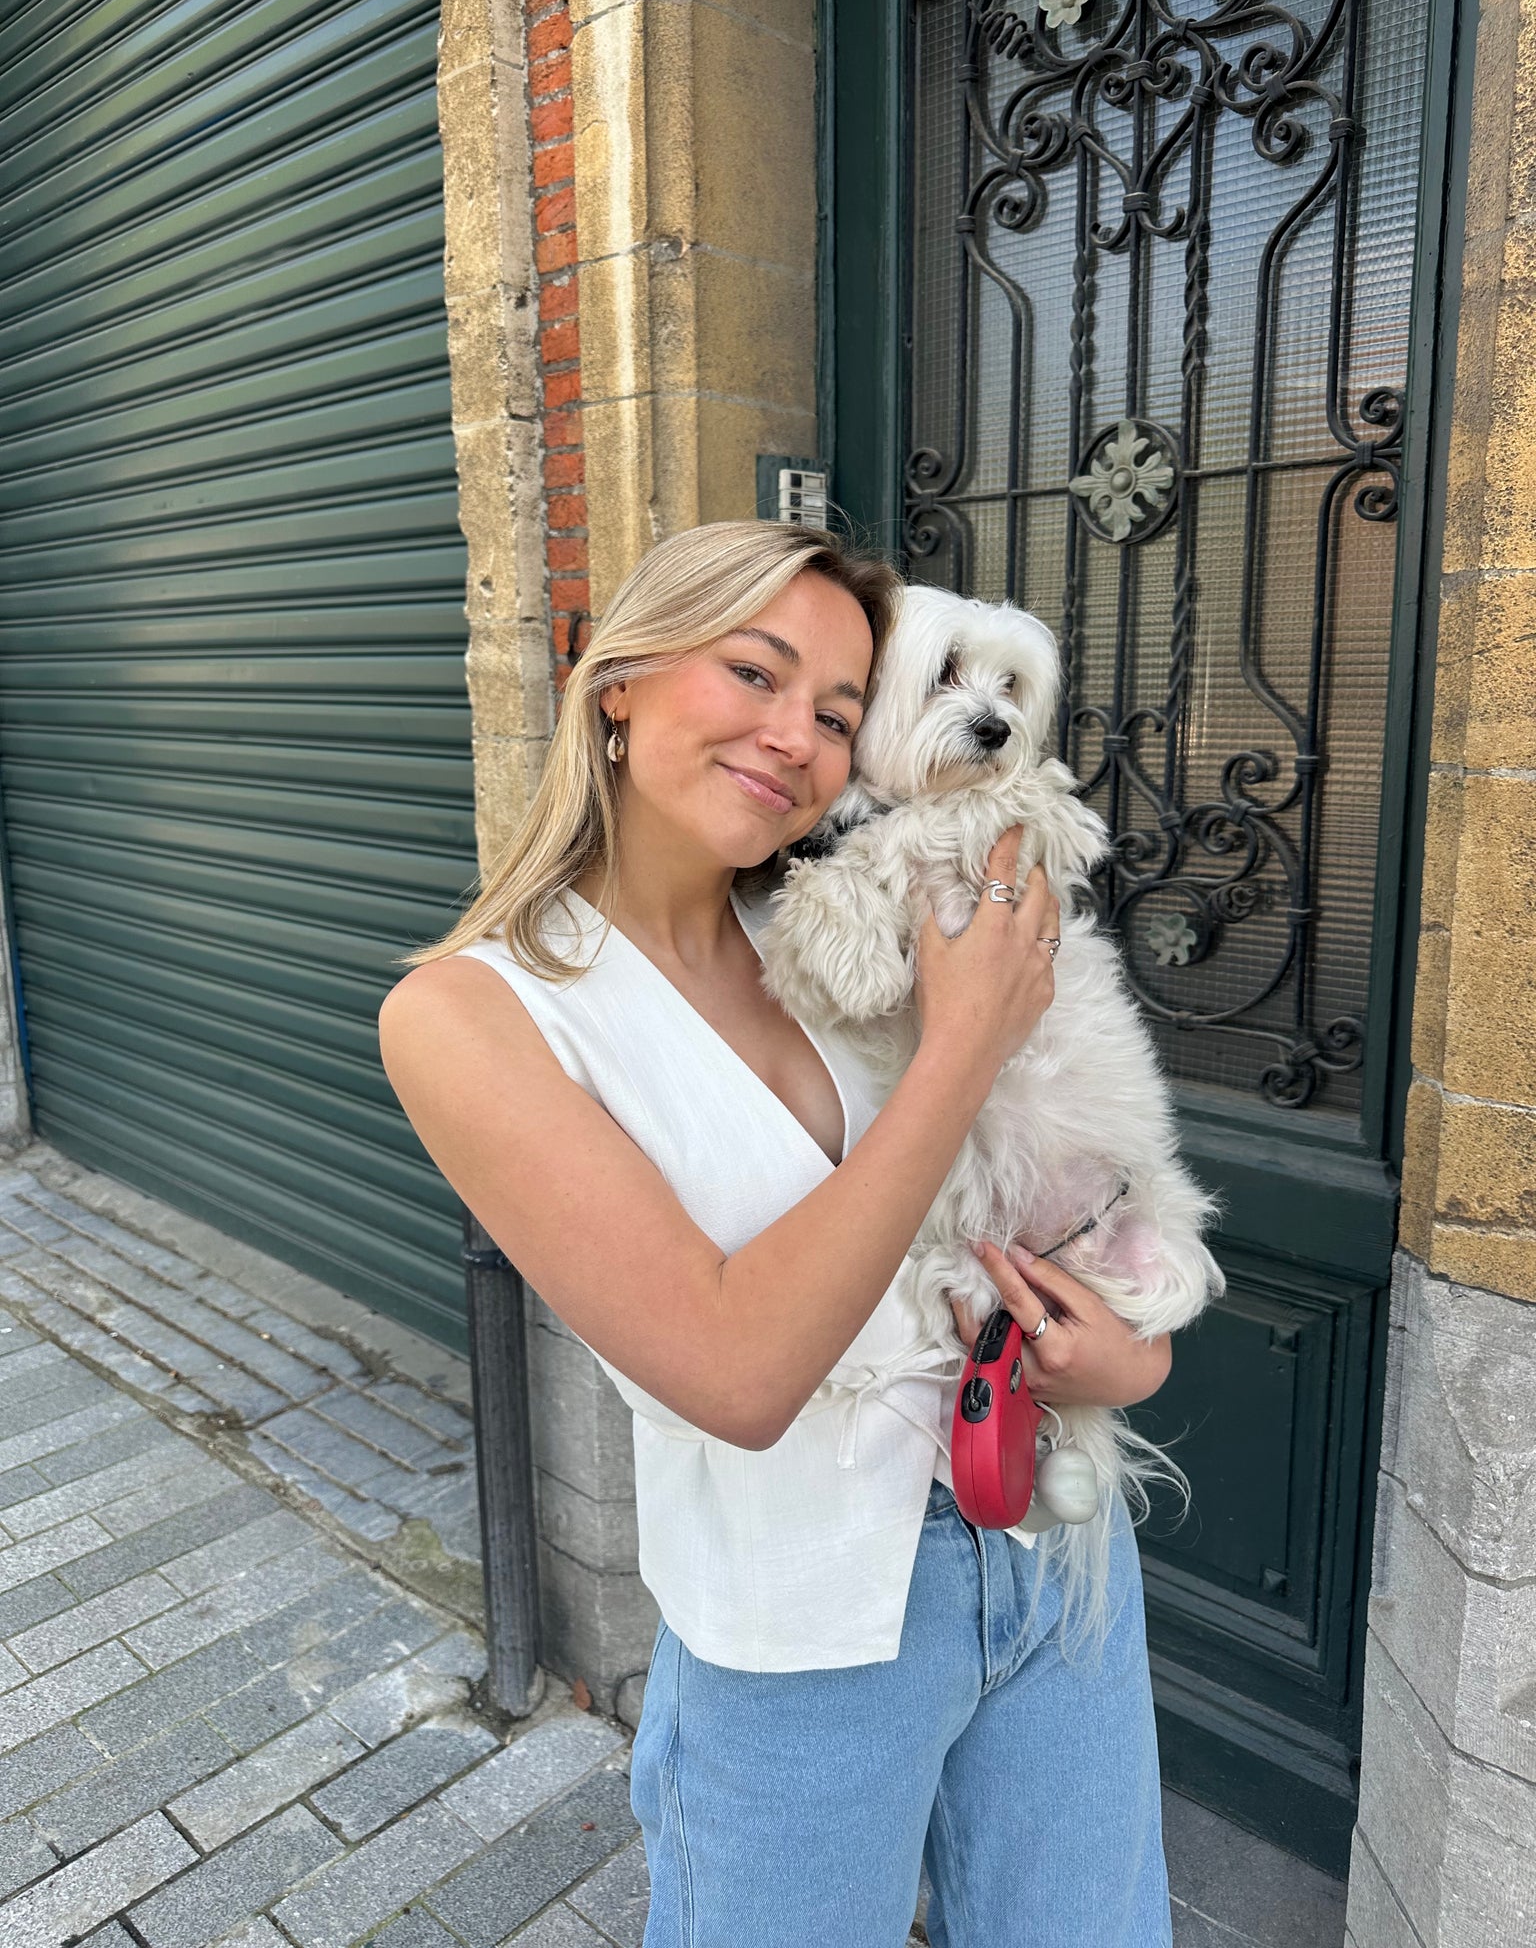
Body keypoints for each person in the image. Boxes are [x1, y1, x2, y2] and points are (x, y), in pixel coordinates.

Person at [378, 519, 1176, 1948]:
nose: (795, 736)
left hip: (1052, 1542)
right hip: (804, 1635)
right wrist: (960, 1048)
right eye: (753, 673)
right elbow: (737, 1375)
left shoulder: (836, 915)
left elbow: (1046, 1169)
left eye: (840, 712)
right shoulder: (478, 1016)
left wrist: (1129, 1361)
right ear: (617, 680)